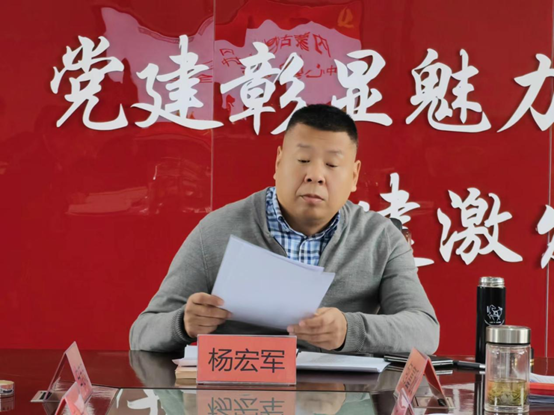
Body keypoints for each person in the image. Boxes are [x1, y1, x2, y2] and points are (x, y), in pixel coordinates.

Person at [130, 104, 439, 354]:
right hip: (242, 397)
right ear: (279, 162)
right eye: (302, 159)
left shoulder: (381, 238)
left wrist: (350, 330)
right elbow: (142, 333)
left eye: (332, 165)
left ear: (355, 176)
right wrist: (184, 324)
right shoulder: (217, 230)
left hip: (342, 399)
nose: (315, 175)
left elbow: (425, 331)